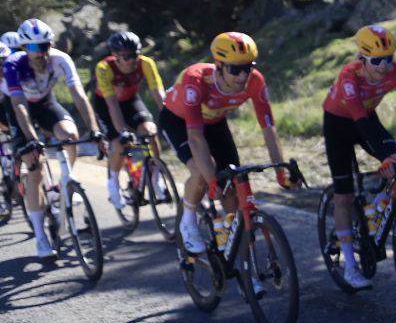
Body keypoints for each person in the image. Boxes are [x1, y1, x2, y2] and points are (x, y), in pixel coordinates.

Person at [163, 31, 296, 254]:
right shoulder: (196, 80)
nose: (243, 76)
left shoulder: (255, 81)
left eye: (247, 67)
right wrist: (211, 180)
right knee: (202, 175)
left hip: (215, 122)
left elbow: (268, 129)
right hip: (180, 122)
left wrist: (281, 173)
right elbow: (195, 138)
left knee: (231, 188)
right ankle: (188, 220)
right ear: (218, 66)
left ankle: (235, 249)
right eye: (235, 69)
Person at [322, 24, 396, 290]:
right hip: (339, 124)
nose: (384, 66)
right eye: (376, 60)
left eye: (389, 58)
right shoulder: (349, 76)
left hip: (367, 118)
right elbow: (359, 121)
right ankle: (350, 266)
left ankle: (378, 206)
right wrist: (383, 157)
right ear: (362, 59)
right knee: (343, 195)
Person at [2, 18, 106, 260]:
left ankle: (66, 182)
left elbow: (79, 95)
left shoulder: (61, 59)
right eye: (34, 47)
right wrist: (32, 139)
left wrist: (94, 129)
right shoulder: (13, 65)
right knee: (35, 168)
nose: (41, 52)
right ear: (24, 48)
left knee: (70, 136)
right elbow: (19, 106)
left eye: (45, 45)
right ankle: (41, 237)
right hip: (20, 108)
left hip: (46, 103)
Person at [92, 30, 166, 211]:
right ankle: (113, 183)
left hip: (130, 101)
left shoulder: (146, 63)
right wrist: (122, 132)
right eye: (127, 57)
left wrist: (170, 118)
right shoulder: (104, 68)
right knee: (119, 143)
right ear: (115, 56)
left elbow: (158, 93)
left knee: (150, 131)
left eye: (135, 55)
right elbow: (112, 104)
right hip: (107, 105)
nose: (133, 60)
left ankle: (156, 178)